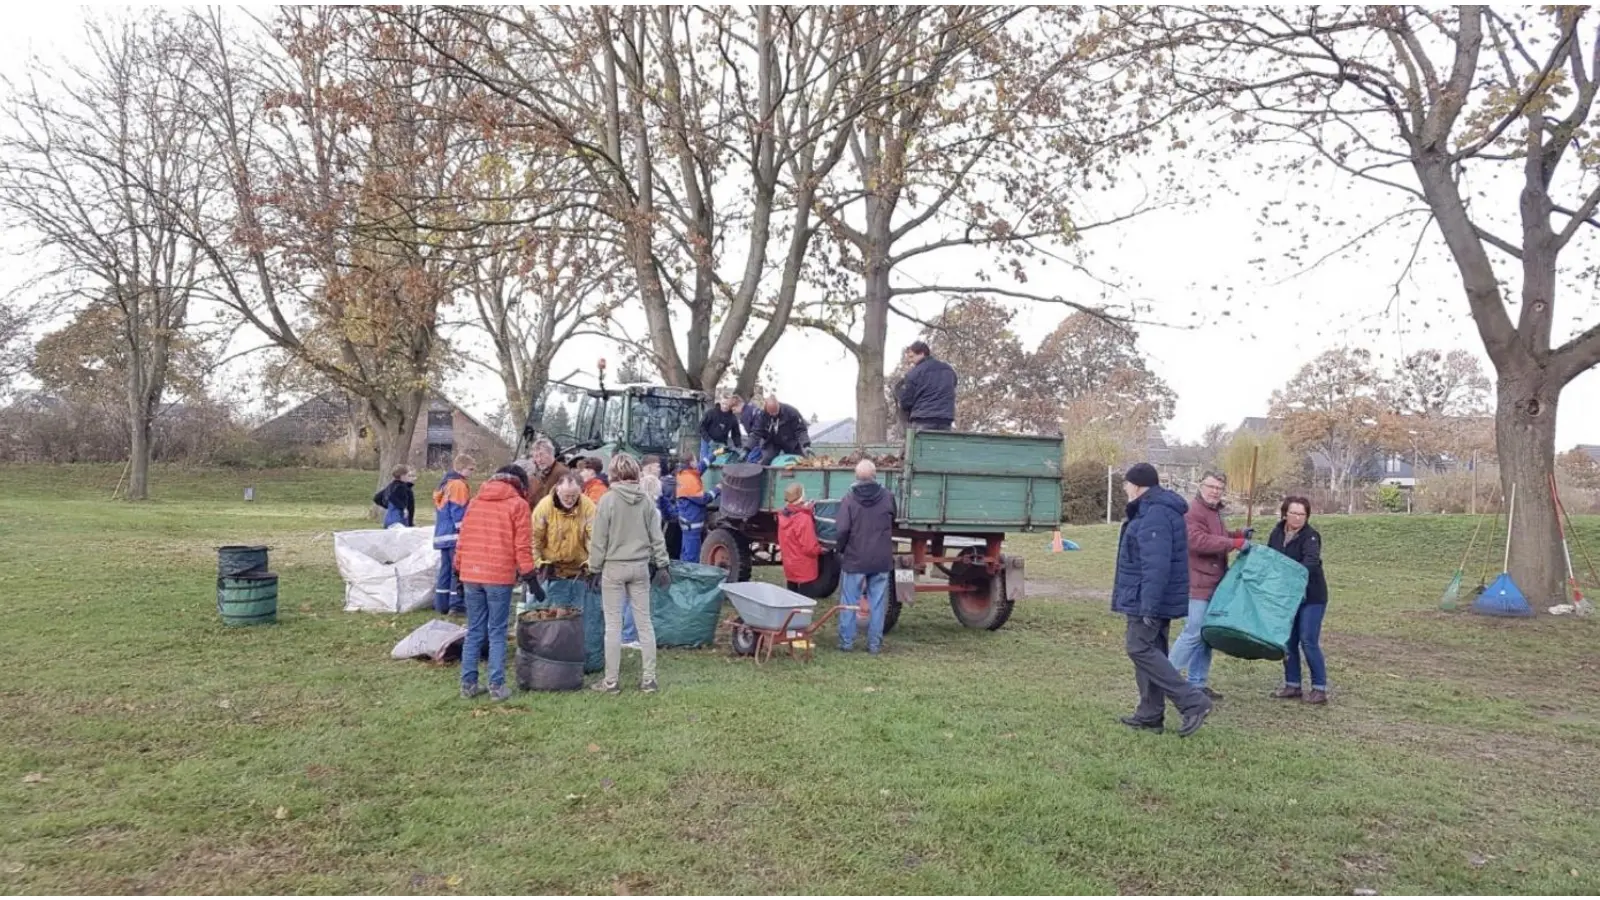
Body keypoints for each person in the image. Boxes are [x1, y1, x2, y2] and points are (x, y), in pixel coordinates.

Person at [1112, 463, 1211, 737]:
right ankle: (1150, 714)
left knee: (1139, 648)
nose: (1125, 488)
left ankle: (1193, 701)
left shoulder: (1154, 513)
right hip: (1148, 596)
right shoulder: (1153, 509)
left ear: (1137, 485)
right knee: (1151, 650)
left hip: (1147, 597)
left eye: (1127, 483)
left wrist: (1149, 606)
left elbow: (1156, 565)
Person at [588, 453, 671, 694]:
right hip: (640, 567)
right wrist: (663, 564)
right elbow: (657, 537)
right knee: (644, 623)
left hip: (613, 567)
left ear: (614, 473)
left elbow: (599, 540)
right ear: (636, 472)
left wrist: (594, 569)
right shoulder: (646, 501)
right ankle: (649, 679)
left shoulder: (607, 500)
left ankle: (611, 682)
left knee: (613, 626)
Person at [454, 465, 536, 702]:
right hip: (499, 575)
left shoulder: (475, 502)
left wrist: (458, 568)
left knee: (474, 630)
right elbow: (522, 546)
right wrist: (530, 575)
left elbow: (463, 540)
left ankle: (468, 684)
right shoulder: (518, 505)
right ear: (519, 483)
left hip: (471, 573)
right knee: (497, 631)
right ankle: (496, 685)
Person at [1169, 471, 1250, 700]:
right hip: (1197, 582)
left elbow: (1217, 536)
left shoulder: (1213, 512)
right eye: (1211, 486)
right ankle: (1165, 679)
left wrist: (1238, 534)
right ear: (1201, 486)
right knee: (1193, 632)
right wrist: (1234, 543)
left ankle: (1197, 683)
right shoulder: (1193, 511)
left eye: (1219, 488)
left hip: (1213, 582)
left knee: (1206, 635)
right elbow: (1198, 541)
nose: (1215, 491)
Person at [1269, 496, 1329, 705]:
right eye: (1293, 513)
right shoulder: (1277, 534)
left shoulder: (1311, 537)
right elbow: (1271, 558)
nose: (1297, 517)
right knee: (1288, 641)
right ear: (1285, 513)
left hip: (1311, 596)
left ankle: (1319, 688)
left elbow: (1310, 562)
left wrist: (1289, 574)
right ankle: (1292, 684)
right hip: (1287, 597)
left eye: (1302, 514)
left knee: (1308, 640)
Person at [834, 459, 896, 655]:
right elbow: (893, 519)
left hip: (855, 558)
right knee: (877, 604)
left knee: (849, 602)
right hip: (881, 559)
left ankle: (846, 643)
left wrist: (840, 548)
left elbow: (842, 529)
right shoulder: (888, 497)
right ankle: (874, 645)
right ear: (875, 475)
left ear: (856, 476)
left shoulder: (849, 499)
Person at [431, 454, 475, 616]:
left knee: (445, 570)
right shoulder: (458, 485)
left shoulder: (445, 484)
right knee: (457, 570)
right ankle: (456, 605)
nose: (472, 472)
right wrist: (464, 532)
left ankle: (441, 603)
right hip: (454, 535)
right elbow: (458, 510)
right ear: (461, 468)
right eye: (470, 469)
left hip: (442, 534)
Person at [530, 472, 596, 580]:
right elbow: (534, 537)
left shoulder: (588, 507)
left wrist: (591, 563)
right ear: (558, 491)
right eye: (566, 496)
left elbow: (594, 538)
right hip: (549, 567)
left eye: (574, 496)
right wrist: (538, 563)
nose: (570, 500)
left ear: (580, 492)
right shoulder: (544, 506)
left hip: (579, 569)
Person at [896, 340, 958, 431]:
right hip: (945, 419)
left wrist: (899, 393)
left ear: (922, 353)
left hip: (923, 418)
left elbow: (907, 402)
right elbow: (953, 384)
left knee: (919, 439)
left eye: (912, 357)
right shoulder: (948, 369)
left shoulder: (914, 373)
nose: (911, 360)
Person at [778, 482, 825, 591]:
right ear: (801, 496)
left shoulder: (783, 515)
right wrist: (820, 550)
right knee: (805, 597)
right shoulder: (803, 518)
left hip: (790, 564)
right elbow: (809, 547)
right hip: (805, 566)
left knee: (791, 593)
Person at [746, 395, 813, 465]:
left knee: (801, 461)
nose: (773, 415)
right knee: (766, 460)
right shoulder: (762, 414)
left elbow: (801, 430)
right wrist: (747, 449)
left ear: (778, 405)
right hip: (771, 442)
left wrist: (806, 445)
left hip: (790, 441)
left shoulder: (791, 412)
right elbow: (756, 433)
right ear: (766, 408)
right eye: (771, 413)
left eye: (775, 412)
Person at [674, 457, 716, 564]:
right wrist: (717, 490)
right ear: (691, 463)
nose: (697, 462)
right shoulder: (689, 480)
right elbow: (703, 499)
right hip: (692, 523)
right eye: (695, 460)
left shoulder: (684, 474)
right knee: (692, 557)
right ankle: (688, 572)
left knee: (686, 552)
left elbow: (701, 467)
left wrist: (714, 455)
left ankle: (683, 570)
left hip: (687, 521)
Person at [518, 439, 569, 509]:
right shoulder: (533, 475)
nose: (539, 460)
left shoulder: (562, 473)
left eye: (541, 455)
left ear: (551, 453)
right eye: (536, 456)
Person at [698, 394, 743, 468]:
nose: (725, 406)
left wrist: (739, 446)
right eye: (723, 403)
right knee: (705, 463)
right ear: (720, 402)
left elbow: (736, 435)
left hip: (721, 443)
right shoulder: (711, 413)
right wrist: (709, 440)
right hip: (707, 441)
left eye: (727, 404)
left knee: (719, 464)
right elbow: (701, 427)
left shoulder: (733, 418)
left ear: (730, 404)